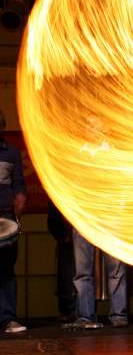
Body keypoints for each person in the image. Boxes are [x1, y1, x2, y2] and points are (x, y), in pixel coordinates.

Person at [63, 115, 129, 329]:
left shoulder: (114, 154)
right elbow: (68, 187)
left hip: (110, 216)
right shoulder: (76, 154)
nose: (93, 129)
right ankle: (86, 315)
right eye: (89, 126)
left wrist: (120, 212)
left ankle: (118, 314)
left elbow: (122, 184)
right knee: (82, 270)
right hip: (83, 217)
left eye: (97, 126)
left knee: (116, 268)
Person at [0, 109, 27, 334]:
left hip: (5, 217)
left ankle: (8, 319)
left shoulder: (11, 152)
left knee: (7, 270)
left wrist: (20, 197)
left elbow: (18, 182)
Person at [47, 201, 77, 322]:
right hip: (67, 232)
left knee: (70, 271)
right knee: (68, 271)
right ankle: (70, 309)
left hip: (74, 230)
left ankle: (74, 310)